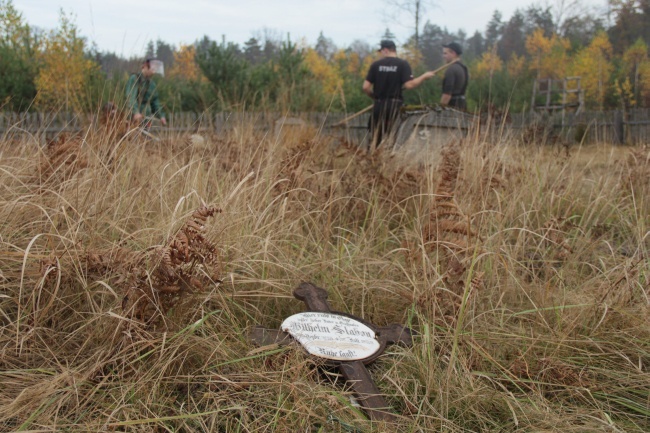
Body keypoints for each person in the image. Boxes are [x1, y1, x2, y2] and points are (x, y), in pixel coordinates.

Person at [363, 40, 436, 149]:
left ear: (386, 50)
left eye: (381, 51)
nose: (381, 54)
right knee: (393, 138)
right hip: (394, 107)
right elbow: (409, 85)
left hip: (379, 105)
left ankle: (373, 160)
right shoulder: (402, 64)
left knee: (375, 138)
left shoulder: (376, 65)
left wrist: (374, 97)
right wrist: (424, 76)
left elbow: (365, 87)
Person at [125, 58, 167, 128]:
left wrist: (161, 116)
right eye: (152, 69)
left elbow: (155, 102)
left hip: (145, 120)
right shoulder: (135, 79)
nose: (154, 72)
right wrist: (135, 112)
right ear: (145, 66)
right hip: (132, 120)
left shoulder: (151, 84)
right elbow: (130, 97)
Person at [440, 42, 469, 110]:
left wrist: (440, 109)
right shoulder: (463, 68)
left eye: (445, 53)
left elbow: (447, 94)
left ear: (453, 53)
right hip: (462, 106)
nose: (443, 56)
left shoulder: (451, 70)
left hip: (452, 108)